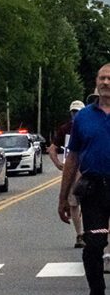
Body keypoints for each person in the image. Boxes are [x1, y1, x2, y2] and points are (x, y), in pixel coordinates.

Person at [58, 64, 110, 295]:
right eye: (102, 77)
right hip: (94, 189)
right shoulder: (84, 118)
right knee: (94, 246)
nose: (106, 82)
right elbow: (72, 159)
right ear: (96, 82)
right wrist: (64, 197)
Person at [49, 100, 85, 246]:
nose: (75, 115)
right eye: (74, 112)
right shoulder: (65, 129)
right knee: (73, 202)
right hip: (73, 169)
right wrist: (58, 164)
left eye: (78, 112)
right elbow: (52, 148)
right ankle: (80, 235)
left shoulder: (89, 126)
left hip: (90, 168)